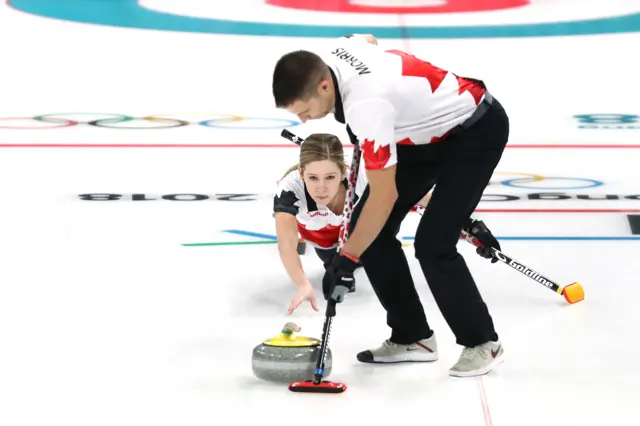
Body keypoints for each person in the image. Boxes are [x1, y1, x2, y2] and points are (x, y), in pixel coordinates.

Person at [271, 33, 507, 377]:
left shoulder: (366, 106)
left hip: (474, 132)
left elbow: (384, 196)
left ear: (324, 86)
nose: (305, 122)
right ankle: (413, 336)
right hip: (420, 134)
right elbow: (366, 38)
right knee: (370, 233)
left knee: (433, 245)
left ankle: (484, 343)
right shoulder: (334, 52)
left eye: (305, 111)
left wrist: (346, 258)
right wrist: (353, 247)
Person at [274, 132, 433, 315]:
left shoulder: (362, 178)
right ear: (301, 173)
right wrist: (302, 283)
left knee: (373, 244)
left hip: (356, 229)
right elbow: (286, 243)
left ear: (343, 172)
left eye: (330, 177)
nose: (321, 187)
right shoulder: (290, 188)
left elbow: (412, 195)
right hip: (321, 236)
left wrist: (452, 210)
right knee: (332, 261)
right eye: (313, 178)